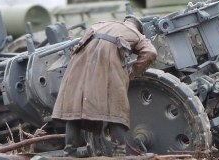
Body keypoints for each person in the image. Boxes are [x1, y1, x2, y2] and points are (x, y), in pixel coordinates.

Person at [52, 16, 157, 157]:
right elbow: (150, 53)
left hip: (78, 65)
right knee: (117, 107)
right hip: (108, 65)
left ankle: (69, 152)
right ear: (138, 28)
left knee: (75, 108)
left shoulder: (98, 24)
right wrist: (133, 72)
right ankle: (119, 153)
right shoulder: (136, 33)